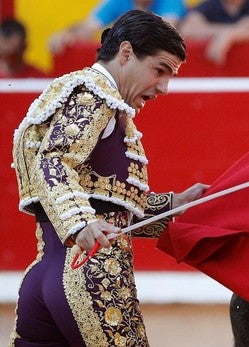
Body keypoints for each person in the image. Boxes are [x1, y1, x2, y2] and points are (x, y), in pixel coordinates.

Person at [10, 10, 207, 346]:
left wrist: (173, 206)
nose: (164, 87)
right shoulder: (96, 97)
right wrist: (79, 223)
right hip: (95, 276)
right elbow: (54, 160)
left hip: (42, 279)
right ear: (126, 53)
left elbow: (104, 204)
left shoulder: (71, 92)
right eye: (159, 70)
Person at [48, 0, 186, 54]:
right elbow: (88, 27)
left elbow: (162, 30)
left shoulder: (171, 2)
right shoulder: (118, 2)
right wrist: (68, 34)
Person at [179, 0, 249, 65]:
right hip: (215, 74)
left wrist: (230, 35)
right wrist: (230, 31)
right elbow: (187, 29)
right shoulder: (212, 4)